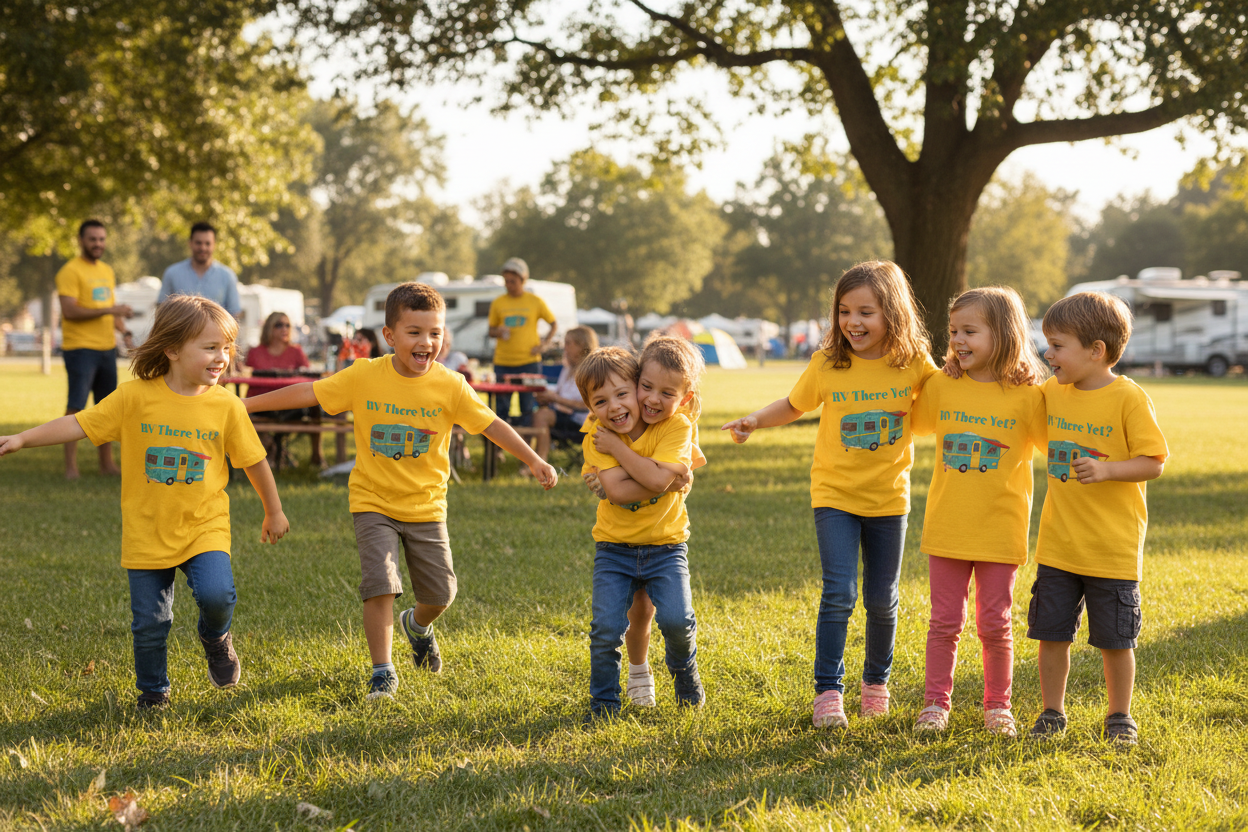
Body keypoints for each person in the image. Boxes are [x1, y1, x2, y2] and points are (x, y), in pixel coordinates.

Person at [243, 282, 558, 700]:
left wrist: (532, 458)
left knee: (442, 594)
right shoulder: (364, 375)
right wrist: (245, 405)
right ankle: (382, 670)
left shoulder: (451, 384)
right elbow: (309, 391)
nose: (427, 342)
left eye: (435, 332)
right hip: (373, 502)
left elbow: (491, 425)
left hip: (427, 506)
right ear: (390, 336)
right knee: (381, 584)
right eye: (414, 332)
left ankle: (418, 625)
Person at [0, 296, 288, 709]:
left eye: (226, 347)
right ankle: (153, 693)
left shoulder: (225, 405)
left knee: (217, 595)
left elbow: (255, 462)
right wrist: (23, 438)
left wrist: (273, 510)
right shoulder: (134, 398)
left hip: (204, 526)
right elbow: (80, 423)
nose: (222, 357)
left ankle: (215, 637)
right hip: (146, 529)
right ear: (172, 349)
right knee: (150, 624)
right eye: (210, 347)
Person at [722, 260, 937, 729]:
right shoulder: (828, 362)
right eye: (844, 311)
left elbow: (950, 399)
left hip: (889, 499)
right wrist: (755, 420)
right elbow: (795, 404)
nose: (852, 323)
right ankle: (828, 692)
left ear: (894, 314)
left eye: (866, 312)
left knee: (882, 599)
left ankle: (876, 684)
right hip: (834, 495)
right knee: (839, 592)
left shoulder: (915, 363)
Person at [1027, 292, 1168, 745]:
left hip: (1112, 549)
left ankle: (1119, 717)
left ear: (1096, 351)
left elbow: (1154, 461)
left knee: (1115, 641)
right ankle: (1052, 712)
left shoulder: (1128, 397)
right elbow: (1013, 397)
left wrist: (1108, 470)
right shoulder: (1053, 391)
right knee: (1052, 636)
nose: (1049, 355)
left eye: (1057, 345)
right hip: (1059, 545)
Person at [909, 287, 1049, 737]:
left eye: (970, 331)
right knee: (944, 622)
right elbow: (908, 420)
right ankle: (935, 704)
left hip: (1000, 530)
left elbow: (1058, 441)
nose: (958, 341)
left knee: (995, 624)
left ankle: (998, 707)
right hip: (948, 525)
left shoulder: (1030, 396)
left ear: (1005, 335)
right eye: (953, 332)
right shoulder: (943, 385)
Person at [576, 346, 701, 719]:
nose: (615, 407)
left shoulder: (675, 425)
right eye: (601, 401)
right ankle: (604, 703)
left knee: (677, 621)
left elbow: (653, 478)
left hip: (666, 545)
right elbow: (619, 491)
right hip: (614, 548)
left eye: (621, 393)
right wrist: (666, 479)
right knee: (606, 628)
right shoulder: (596, 437)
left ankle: (684, 675)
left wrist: (644, 466)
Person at [56, 219, 133, 479]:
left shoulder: (107, 271)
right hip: (80, 349)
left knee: (106, 407)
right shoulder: (70, 271)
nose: (98, 244)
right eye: (92, 239)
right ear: (80, 240)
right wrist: (112, 310)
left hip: (106, 348)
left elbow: (109, 311)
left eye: (101, 239)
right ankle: (70, 466)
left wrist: (125, 332)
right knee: (76, 406)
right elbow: (70, 311)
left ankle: (106, 464)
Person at [245, 311, 322, 468]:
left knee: (316, 401)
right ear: (269, 328)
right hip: (262, 404)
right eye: (279, 325)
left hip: (290, 404)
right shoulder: (255, 352)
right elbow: (246, 376)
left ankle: (317, 455)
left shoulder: (296, 351)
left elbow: (308, 377)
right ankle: (272, 447)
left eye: (287, 325)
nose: (284, 329)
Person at [487, 257, 557, 425]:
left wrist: (544, 344)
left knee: (528, 407)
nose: (509, 285)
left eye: (513, 281)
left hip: (529, 362)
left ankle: (526, 447)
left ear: (523, 280)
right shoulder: (498, 302)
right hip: (503, 362)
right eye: (506, 281)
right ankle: (499, 449)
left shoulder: (535, 301)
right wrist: (499, 331)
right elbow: (490, 331)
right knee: (502, 408)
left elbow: (553, 324)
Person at [532, 325, 598, 462]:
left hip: (581, 422)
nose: (565, 348)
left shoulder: (591, 372)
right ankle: (530, 460)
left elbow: (587, 405)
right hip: (564, 415)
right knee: (532, 413)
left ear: (581, 346)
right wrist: (546, 397)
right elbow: (558, 394)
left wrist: (556, 399)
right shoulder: (567, 369)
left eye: (568, 343)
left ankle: (540, 461)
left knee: (542, 416)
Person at [157, 222, 241, 317]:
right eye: (198, 243)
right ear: (190, 243)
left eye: (207, 243)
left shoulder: (228, 276)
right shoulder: (172, 273)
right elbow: (161, 310)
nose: (203, 248)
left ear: (214, 245)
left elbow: (234, 314)